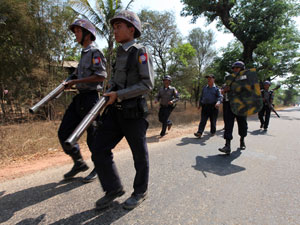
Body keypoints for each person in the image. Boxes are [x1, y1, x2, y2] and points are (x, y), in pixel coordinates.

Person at [90, 10, 155, 210]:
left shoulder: (140, 51)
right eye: (114, 27)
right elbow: (115, 82)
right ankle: (113, 189)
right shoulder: (118, 54)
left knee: (139, 155)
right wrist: (110, 93)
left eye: (119, 27)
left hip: (134, 113)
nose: (115, 31)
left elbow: (147, 84)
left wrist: (119, 95)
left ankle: (140, 191)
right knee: (98, 147)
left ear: (131, 29)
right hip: (115, 112)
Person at [57, 19, 107, 181]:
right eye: (76, 32)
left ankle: (100, 168)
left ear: (87, 34)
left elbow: (101, 76)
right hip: (79, 98)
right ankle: (78, 162)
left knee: (93, 137)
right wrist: (68, 81)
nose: (76, 35)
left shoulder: (95, 53)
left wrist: (75, 82)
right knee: (64, 132)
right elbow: (78, 74)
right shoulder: (84, 53)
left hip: (91, 99)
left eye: (78, 31)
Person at [218, 61, 248, 155]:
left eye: (237, 68)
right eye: (234, 68)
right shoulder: (228, 79)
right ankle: (227, 145)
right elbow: (222, 90)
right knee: (228, 125)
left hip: (241, 106)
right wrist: (223, 90)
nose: (235, 70)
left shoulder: (245, 79)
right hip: (229, 105)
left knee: (242, 125)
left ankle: (242, 139)